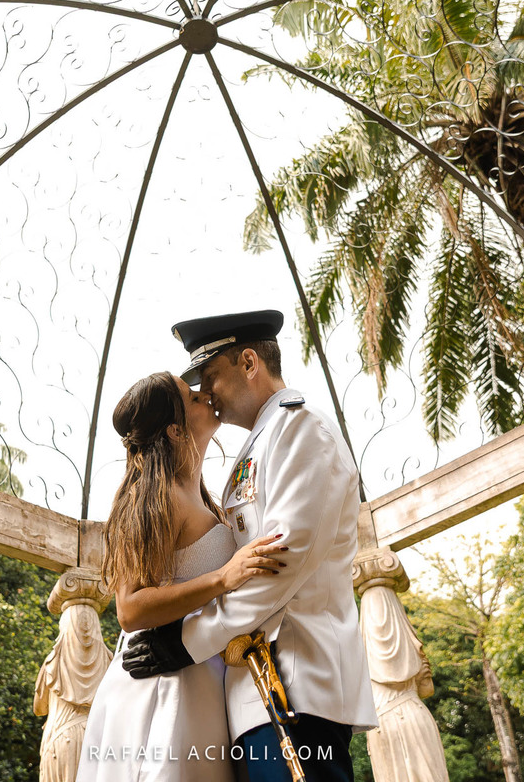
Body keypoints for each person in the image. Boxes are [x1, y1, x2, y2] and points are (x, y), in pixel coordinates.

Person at [123, 310, 378, 782]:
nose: (206, 393)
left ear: (248, 363)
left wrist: (186, 642)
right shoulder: (261, 444)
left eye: (210, 377)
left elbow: (279, 564)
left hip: (297, 684)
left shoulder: (303, 431)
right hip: (248, 694)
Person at [77, 371, 289, 781]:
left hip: (203, 680)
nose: (204, 394)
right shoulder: (150, 497)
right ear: (175, 430)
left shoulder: (208, 498)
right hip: (161, 686)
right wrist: (222, 578)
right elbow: (129, 609)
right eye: (191, 397)